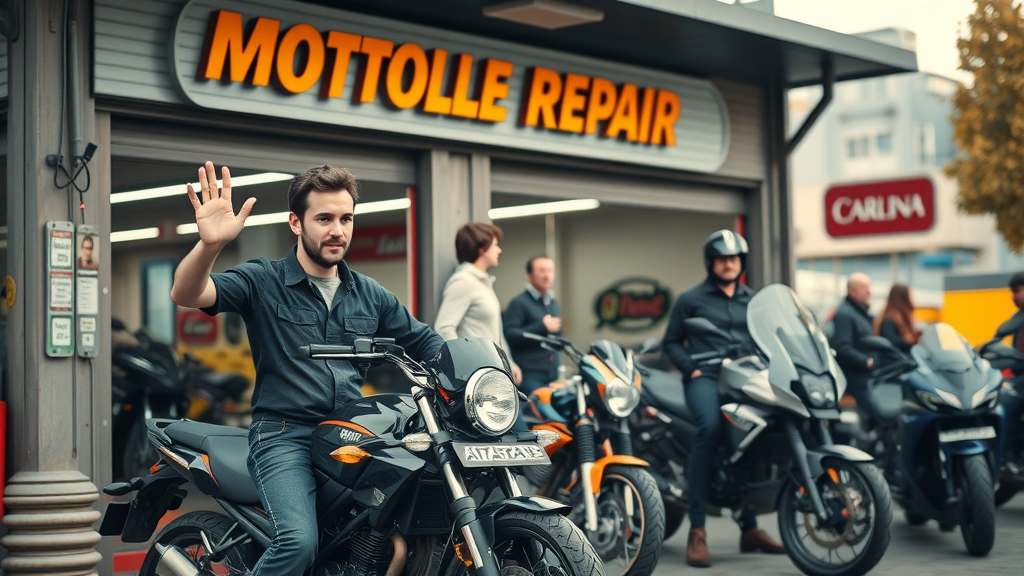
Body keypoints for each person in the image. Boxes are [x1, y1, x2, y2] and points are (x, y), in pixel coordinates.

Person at [170, 162, 444, 576]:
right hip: (285, 434)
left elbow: (428, 344)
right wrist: (210, 246)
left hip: (351, 431)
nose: (338, 229)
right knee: (299, 543)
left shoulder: (370, 294)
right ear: (296, 223)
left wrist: (479, 378)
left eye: (346, 218)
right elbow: (188, 293)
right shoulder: (264, 280)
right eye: (325, 218)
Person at [662, 229, 785, 568]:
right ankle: (697, 530)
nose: (728, 264)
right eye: (722, 258)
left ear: (741, 262)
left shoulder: (753, 300)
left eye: (733, 259)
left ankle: (749, 529)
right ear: (711, 262)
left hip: (747, 379)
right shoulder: (691, 299)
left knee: (754, 438)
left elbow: (772, 339)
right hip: (708, 379)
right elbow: (671, 342)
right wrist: (690, 368)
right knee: (712, 429)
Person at [435, 222, 522, 385]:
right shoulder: (463, 282)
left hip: (494, 372)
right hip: (477, 376)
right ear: (481, 249)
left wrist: (510, 362)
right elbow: (444, 328)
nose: (499, 250)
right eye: (495, 245)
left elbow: (496, 331)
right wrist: (467, 363)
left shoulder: (482, 282)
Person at [503, 256, 561, 430]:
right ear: (529, 275)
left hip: (551, 376)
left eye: (550, 271)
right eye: (542, 271)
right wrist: (541, 326)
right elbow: (510, 334)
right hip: (529, 376)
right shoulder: (519, 303)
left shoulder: (552, 301)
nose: (547, 275)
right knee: (539, 424)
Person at [829, 272, 876, 412]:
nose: (869, 292)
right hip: (856, 381)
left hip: (865, 378)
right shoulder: (845, 314)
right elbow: (841, 346)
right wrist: (867, 361)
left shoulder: (858, 313)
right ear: (852, 291)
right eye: (864, 287)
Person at [873, 284, 920, 353]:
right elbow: (892, 342)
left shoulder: (901, 318)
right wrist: (911, 345)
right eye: (910, 296)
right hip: (896, 361)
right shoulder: (888, 321)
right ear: (904, 298)